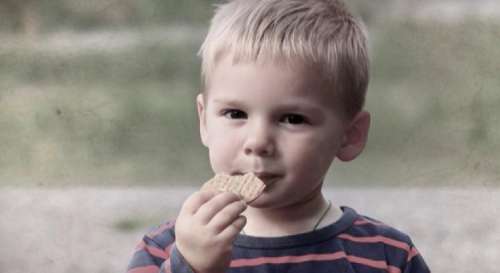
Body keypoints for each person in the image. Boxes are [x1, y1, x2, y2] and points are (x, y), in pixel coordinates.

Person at [126, 0, 430, 272]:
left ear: (349, 136)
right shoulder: (162, 250)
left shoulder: (387, 257)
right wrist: (189, 267)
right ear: (204, 120)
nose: (258, 142)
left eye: (292, 119)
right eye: (235, 114)